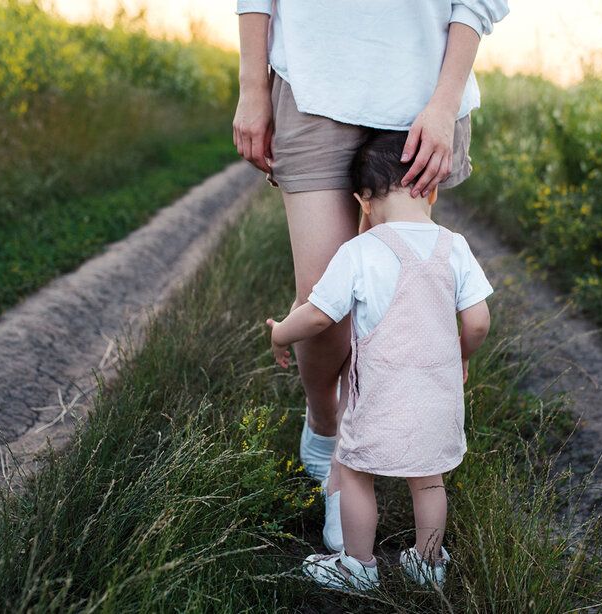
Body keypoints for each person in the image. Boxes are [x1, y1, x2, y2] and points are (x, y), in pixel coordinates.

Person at [235, 0, 509, 555]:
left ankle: (349, 483)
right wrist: (252, 85)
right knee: (323, 298)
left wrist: (445, 100)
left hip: (423, 89)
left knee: (396, 297)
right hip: (311, 79)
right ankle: (326, 425)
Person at [265, 130, 493, 590]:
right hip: (436, 397)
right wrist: (462, 356)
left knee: (352, 472)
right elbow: (479, 322)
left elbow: (316, 316)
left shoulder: (359, 251)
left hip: (376, 397)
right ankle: (428, 564)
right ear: (429, 189)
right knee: (429, 480)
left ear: (363, 201)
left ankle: (358, 566)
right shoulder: (455, 246)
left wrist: (280, 334)